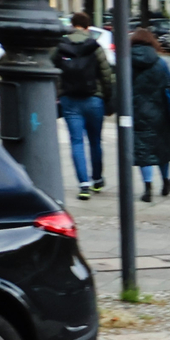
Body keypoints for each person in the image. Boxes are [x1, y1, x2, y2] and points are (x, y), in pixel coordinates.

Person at [125, 28, 170, 201]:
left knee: (143, 151)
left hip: (136, 113)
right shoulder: (160, 63)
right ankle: (166, 181)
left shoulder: (127, 62)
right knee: (162, 150)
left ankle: (147, 188)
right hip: (160, 113)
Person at [55, 13, 110, 201]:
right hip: (94, 99)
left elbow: (52, 72)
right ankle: (97, 179)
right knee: (95, 141)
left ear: (72, 25)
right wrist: (106, 96)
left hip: (70, 100)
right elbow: (106, 74)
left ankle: (83, 185)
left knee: (76, 141)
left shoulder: (61, 46)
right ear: (87, 27)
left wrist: (58, 93)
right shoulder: (95, 47)